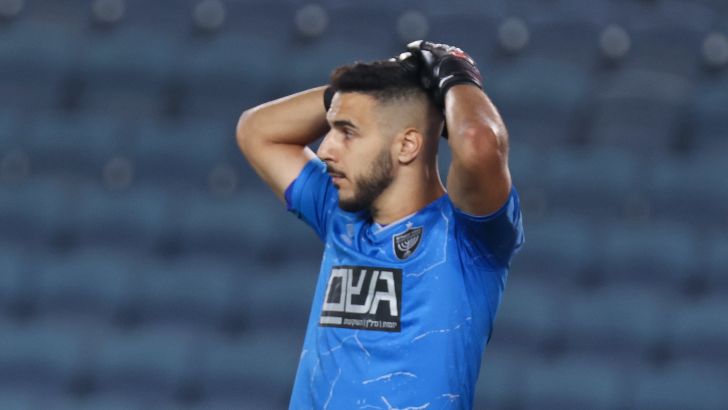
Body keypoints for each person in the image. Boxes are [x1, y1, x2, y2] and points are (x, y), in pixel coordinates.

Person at [236, 40, 524, 410]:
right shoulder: (339, 213)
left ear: (407, 145)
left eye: (347, 132)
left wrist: (455, 76)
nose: (324, 149)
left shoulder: (468, 240)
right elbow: (256, 129)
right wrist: (381, 83)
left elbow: (476, 142)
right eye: (331, 128)